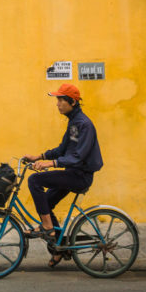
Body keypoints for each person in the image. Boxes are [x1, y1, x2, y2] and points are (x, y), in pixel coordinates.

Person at [22, 83, 103, 265]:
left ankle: (48, 227)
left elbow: (77, 156)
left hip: (79, 176)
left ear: (72, 102)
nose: (57, 103)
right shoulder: (74, 122)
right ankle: (58, 249)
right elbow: (62, 149)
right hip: (71, 173)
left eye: (60, 100)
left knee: (35, 180)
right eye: (57, 100)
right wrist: (39, 156)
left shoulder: (84, 125)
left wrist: (50, 164)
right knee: (47, 203)